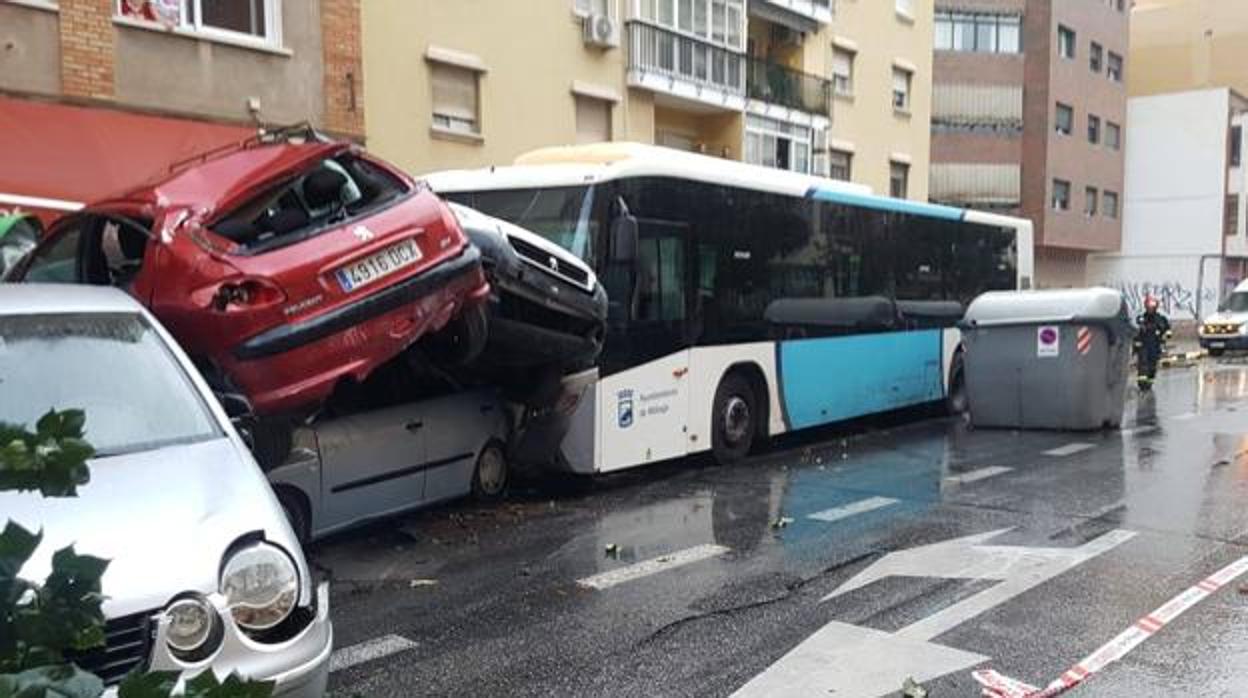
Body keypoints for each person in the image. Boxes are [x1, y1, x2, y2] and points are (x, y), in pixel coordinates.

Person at [1134, 295, 1172, 390]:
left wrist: (1167, 335)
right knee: (1143, 364)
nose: (1150, 309)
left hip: (1155, 345)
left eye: (1152, 307)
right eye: (1149, 307)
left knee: (1152, 366)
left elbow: (1167, 329)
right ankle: (1142, 383)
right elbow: (1136, 331)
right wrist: (1136, 342)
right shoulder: (1141, 318)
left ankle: (1149, 383)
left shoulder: (1161, 319)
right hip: (1144, 345)